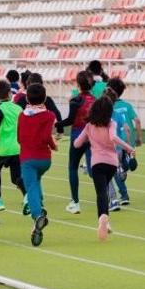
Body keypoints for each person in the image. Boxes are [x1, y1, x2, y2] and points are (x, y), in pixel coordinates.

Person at [73, 96, 134, 241]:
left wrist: (89, 141)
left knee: (101, 193)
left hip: (96, 163)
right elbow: (113, 137)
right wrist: (129, 147)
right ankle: (106, 222)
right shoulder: (111, 123)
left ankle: (102, 217)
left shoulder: (89, 126)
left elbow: (76, 144)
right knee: (105, 191)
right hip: (111, 164)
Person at [18, 81, 59, 246]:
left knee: (31, 188)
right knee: (36, 182)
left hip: (28, 159)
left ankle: (38, 216)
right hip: (45, 159)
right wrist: (53, 145)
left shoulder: (22, 115)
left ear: (27, 98)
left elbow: (19, 138)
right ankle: (39, 206)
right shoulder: (49, 115)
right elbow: (47, 137)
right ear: (45, 98)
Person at [63, 71, 97, 213]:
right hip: (92, 135)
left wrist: (57, 124)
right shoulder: (95, 100)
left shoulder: (76, 100)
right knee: (93, 170)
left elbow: (70, 120)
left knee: (73, 167)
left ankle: (75, 202)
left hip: (78, 135)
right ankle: (105, 197)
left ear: (77, 84)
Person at [0, 80, 25, 212]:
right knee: (16, 178)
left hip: (1, 148)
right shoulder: (19, 108)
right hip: (17, 147)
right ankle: (26, 195)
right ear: (10, 93)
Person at [106, 79, 141, 209]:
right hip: (123, 144)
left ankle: (115, 199)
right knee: (116, 170)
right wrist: (133, 141)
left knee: (109, 174)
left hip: (110, 146)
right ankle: (124, 194)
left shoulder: (106, 110)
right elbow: (132, 124)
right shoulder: (125, 106)